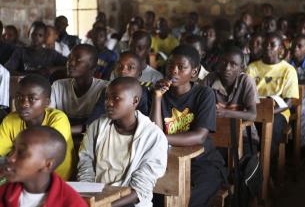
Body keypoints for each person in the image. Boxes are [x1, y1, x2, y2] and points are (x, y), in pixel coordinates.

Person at [150, 45, 226, 207]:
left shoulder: (204, 94)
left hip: (202, 163)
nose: (174, 71)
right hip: (167, 163)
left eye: (181, 67)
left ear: (194, 72)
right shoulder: (159, 94)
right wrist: (156, 98)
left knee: (189, 199)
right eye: (171, 65)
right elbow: (153, 131)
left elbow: (200, 136)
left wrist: (161, 139)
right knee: (153, 197)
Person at [78, 77, 168, 207]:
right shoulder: (97, 126)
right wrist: (89, 197)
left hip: (128, 202)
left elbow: (140, 189)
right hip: (96, 198)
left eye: (116, 98)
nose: (108, 103)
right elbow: (86, 163)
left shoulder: (153, 136)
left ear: (135, 101)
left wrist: (106, 205)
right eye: (107, 98)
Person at [0, 74, 74, 180]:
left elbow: (41, 158)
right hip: (23, 178)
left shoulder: (58, 119)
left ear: (47, 102)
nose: (24, 103)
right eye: (19, 97)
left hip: (56, 180)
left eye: (32, 98)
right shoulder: (11, 120)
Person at [0, 126, 88, 207]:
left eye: (21, 152)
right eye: (13, 149)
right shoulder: (4, 193)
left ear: (47, 165)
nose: (10, 158)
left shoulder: (72, 203)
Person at [246, 32, 299, 155]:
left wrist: (267, 113)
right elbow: (245, 93)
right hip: (253, 110)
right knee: (241, 128)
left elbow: (288, 103)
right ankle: (250, 164)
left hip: (277, 112)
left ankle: (268, 166)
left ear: (280, 49)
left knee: (271, 127)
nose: (267, 47)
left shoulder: (288, 70)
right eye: (265, 44)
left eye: (272, 44)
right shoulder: (252, 67)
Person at [200, 46, 259, 152]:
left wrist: (225, 113)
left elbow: (252, 115)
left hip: (244, 136)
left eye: (233, 64)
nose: (227, 67)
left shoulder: (246, 81)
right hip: (216, 135)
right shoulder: (209, 79)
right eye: (223, 62)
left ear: (241, 68)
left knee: (241, 161)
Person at [50, 44, 108, 132]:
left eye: (78, 60)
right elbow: (48, 118)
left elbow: (96, 126)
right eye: (69, 58)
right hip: (61, 139)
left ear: (93, 67)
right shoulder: (57, 86)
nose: (71, 63)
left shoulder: (104, 88)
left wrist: (62, 130)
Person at [88, 51, 152, 124]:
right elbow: (94, 120)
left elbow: (145, 124)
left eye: (130, 67)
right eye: (119, 66)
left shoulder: (143, 94)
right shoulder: (107, 90)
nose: (123, 71)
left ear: (139, 74)